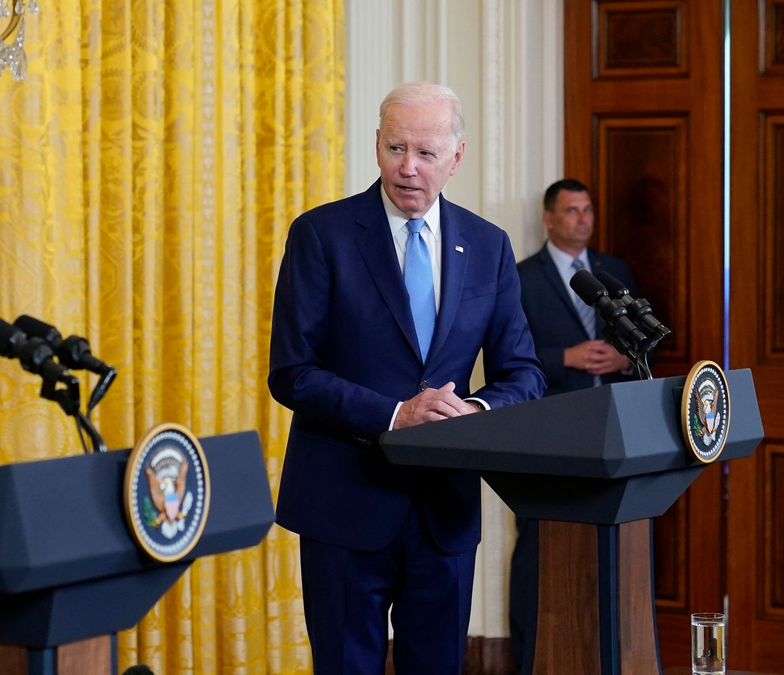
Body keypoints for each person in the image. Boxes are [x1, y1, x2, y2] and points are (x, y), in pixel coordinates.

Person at [268, 82, 545, 675]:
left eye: (425, 153)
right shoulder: (322, 235)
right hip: (344, 505)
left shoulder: (489, 246)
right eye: (396, 148)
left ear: (457, 157)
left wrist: (472, 413)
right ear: (376, 145)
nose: (409, 168)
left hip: (443, 513)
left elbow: (522, 373)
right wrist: (395, 416)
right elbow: (292, 373)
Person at [508, 178, 640, 672]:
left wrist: (622, 361)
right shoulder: (522, 277)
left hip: (613, 426)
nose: (582, 219)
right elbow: (505, 357)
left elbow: (639, 343)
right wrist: (565, 357)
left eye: (587, 210)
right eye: (571, 211)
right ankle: (530, 659)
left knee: (610, 546)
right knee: (539, 547)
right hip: (550, 429)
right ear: (548, 219)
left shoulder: (614, 271)